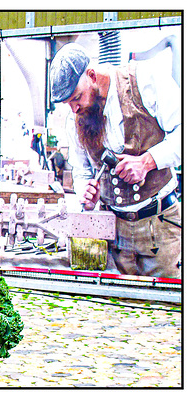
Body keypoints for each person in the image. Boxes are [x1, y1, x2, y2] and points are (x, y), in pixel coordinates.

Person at [49, 43, 181, 278]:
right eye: (67, 103)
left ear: (91, 75)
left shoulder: (145, 80)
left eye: (77, 97)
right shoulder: (76, 118)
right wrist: (86, 193)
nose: (74, 108)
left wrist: (148, 161)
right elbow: (80, 172)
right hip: (112, 235)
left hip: (160, 231)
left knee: (165, 312)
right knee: (116, 311)